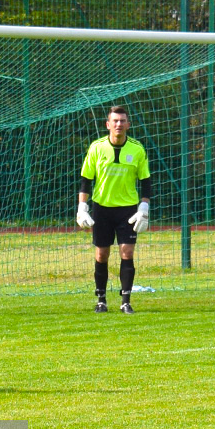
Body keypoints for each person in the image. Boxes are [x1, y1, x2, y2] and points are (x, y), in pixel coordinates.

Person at [77, 105, 151, 315]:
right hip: (102, 208)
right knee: (102, 254)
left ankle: (125, 301)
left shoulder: (137, 149)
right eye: (115, 121)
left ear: (128, 124)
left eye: (122, 121)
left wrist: (144, 207)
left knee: (127, 252)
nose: (119, 124)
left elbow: (146, 181)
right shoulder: (96, 147)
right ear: (108, 124)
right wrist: (82, 208)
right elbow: (86, 180)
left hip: (128, 209)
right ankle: (101, 300)